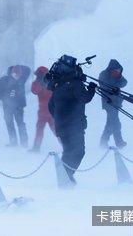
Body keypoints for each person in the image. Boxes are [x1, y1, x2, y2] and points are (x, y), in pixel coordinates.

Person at [47, 55, 97, 183]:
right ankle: (65, 176)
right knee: (78, 152)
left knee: (68, 152)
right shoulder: (75, 84)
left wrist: (59, 118)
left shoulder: (59, 85)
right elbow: (85, 98)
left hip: (61, 126)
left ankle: (65, 177)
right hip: (74, 126)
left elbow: (50, 106)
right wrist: (92, 89)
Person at [0, 65, 30, 147]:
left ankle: (24, 142)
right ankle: (13, 142)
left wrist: (17, 67)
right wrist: (3, 97)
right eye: (15, 75)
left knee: (20, 123)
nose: (17, 77)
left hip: (19, 106)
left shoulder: (22, 80)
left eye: (19, 75)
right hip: (7, 106)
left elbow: (28, 70)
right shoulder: (4, 80)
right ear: (12, 73)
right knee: (9, 123)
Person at [98, 59, 128, 149]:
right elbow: (106, 86)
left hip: (116, 102)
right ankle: (119, 142)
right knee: (116, 123)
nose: (118, 71)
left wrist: (119, 77)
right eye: (117, 69)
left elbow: (124, 83)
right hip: (109, 103)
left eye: (119, 70)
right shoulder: (104, 74)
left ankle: (103, 142)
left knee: (110, 124)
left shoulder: (116, 75)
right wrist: (115, 80)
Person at [29, 66, 56, 152]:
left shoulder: (38, 83)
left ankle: (36, 148)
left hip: (43, 112)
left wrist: (38, 81)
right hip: (52, 111)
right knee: (56, 130)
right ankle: (66, 146)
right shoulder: (52, 81)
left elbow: (34, 91)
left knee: (39, 130)